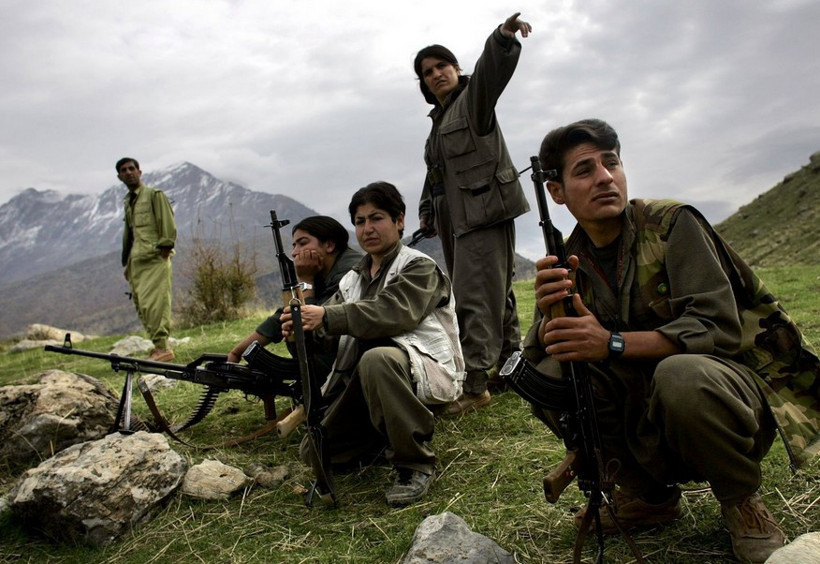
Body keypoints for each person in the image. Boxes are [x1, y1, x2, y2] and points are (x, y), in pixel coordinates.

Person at [520, 118, 820, 563]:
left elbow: (714, 328)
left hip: (727, 393)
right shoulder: (568, 259)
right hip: (645, 407)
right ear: (557, 192)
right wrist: (550, 322)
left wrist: (611, 343)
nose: (605, 177)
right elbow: (536, 358)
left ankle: (742, 502)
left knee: (682, 374)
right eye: (584, 170)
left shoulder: (672, 225)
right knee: (550, 374)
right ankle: (647, 495)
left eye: (612, 163)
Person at [281, 181, 464, 506]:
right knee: (314, 451)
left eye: (376, 218)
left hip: (424, 370)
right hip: (366, 381)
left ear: (399, 221)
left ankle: (414, 463)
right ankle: (387, 433)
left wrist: (326, 316)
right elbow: (326, 341)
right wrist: (301, 330)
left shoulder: (418, 266)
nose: (368, 228)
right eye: (360, 221)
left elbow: (393, 312)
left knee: (378, 358)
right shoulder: (352, 279)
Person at [414, 12, 532, 416]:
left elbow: (491, 73)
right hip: (456, 218)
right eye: (427, 72)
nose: (435, 74)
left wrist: (501, 37)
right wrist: (428, 211)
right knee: (496, 292)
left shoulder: (472, 100)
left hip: (483, 211)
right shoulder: (438, 121)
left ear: (456, 68)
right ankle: (511, 366)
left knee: (474, 296)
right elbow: (436, 174)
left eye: (441, 66)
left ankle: (477, 383)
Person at [227, 215, 362, 378]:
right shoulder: (324, 270)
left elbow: (309, 325)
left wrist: (305, 281)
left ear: (330, 245)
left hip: (351, 362)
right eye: (294, 245)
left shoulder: (348, 273)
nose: (294, 252)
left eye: (303, 243)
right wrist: (237, 352)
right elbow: (285, 314)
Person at [117, 157, 177, 362]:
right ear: (119, 176)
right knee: (142, 305)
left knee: (156, 304)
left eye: (132, 168)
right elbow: (130, 233)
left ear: (139, 172)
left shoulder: (154, 195)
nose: (128, 172)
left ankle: (163, 348)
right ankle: (156, 346)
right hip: (137, 262)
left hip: (154, 259)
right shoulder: (128, 201)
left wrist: (165, 249)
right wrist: (128, 263)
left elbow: (167, 222)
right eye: (124, 170)